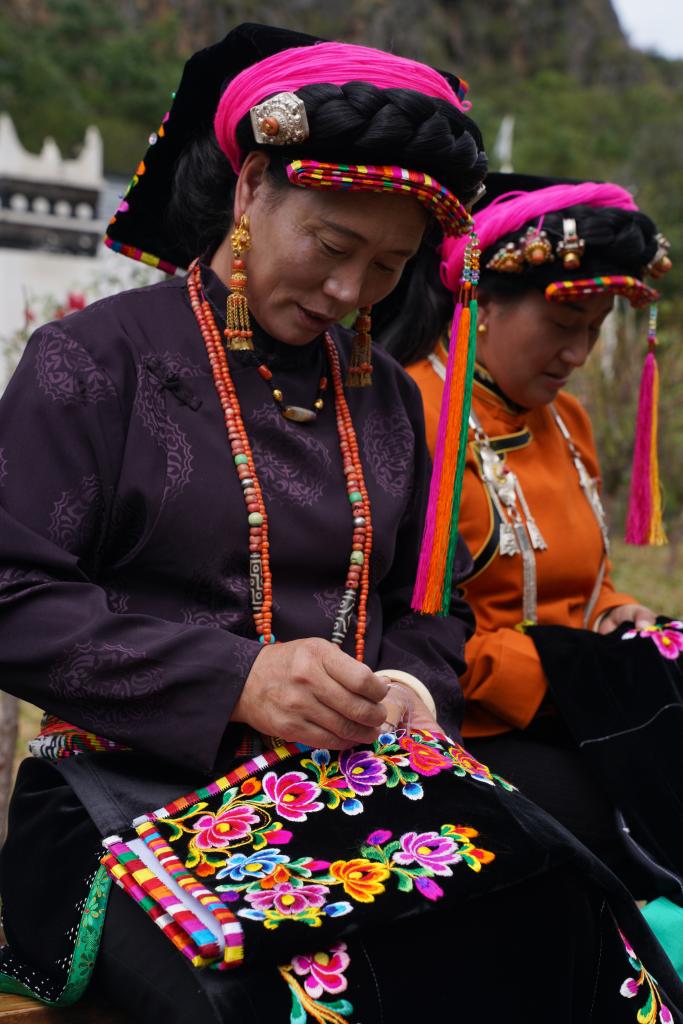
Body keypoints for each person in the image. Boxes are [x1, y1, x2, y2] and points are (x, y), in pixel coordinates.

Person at [0, 29, 681, 1024]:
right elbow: (12, 594)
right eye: (330, 248)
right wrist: (238, 679)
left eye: (388, 266)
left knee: (570, 931)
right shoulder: (93, 363)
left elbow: (431, 608)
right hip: (124, 797)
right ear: (251, 189)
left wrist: (408, 687)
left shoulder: (389, 401)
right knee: (326, 997)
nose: (349, 293)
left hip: (352, 791)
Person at [394, 173, 683, 896]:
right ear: (484, 305)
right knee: (607, 819)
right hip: (469, 722)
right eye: (562, 324)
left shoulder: (567, 419)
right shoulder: (409, 413)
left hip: (581, 699)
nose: (578, 353)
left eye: (594, 329)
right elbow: (396, 624)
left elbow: (583, 581)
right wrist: (558, 673)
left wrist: (617, 614)